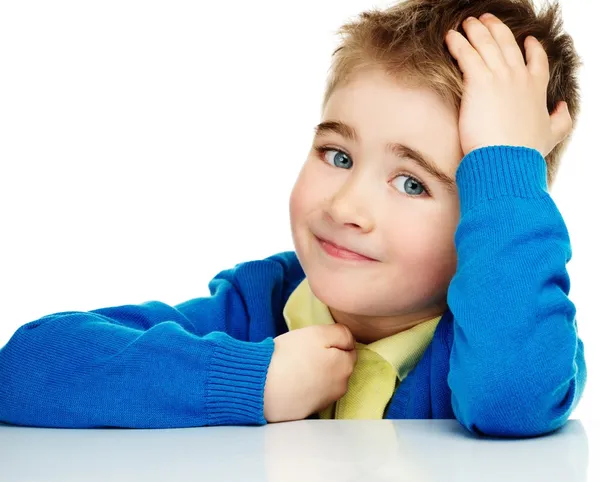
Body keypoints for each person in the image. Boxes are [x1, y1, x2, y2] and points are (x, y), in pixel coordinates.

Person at [0, 0, 586, 437]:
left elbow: (512, 398)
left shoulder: (515, 338)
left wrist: (507, 164)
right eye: (338, 155)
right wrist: (250, 379)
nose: (345, 206)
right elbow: (25, 366)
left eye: (411, 183)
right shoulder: (257, 309)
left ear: (489, 210)